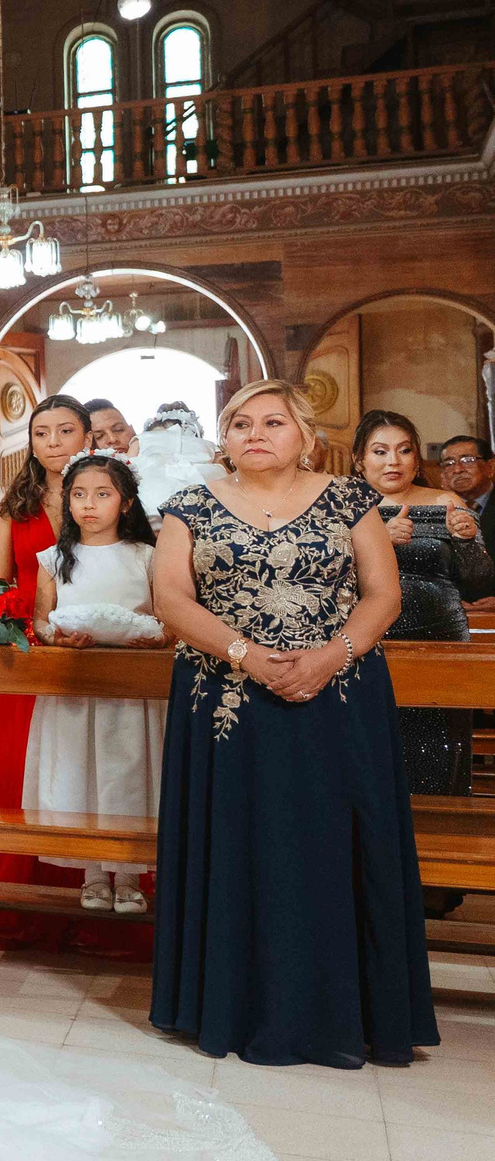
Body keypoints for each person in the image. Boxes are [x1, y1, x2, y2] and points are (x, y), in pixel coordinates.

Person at [151, 381, 435, 1067]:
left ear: (306, 435)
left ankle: (345, 1013)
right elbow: (170, 599)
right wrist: (246, 655)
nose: (255, 433)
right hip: (227, 701)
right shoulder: (189, 506)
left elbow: (383, 595)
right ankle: (230, 1005)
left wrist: (330, 656)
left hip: (338, 696)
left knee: (332, 844)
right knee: (239, 844)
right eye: (240, 423)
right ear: (224, 439)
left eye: (273, 422)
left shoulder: (348, 499)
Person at [0, 396, 97, 944]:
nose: (52, 442)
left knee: (86, 762)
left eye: (65, 431)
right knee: (23, 764)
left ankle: (97, 881)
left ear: (87, 436)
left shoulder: (106, 493)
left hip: (95, 641)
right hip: (28, 646)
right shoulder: (15, 504)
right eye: (41, 433)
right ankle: (26, 886)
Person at [26, 456, 164, 915]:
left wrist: (154, 636)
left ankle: (128, 876)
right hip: (76, 684)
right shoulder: (53, 558)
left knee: (129, 772)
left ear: (125, 503)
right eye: (79, 495)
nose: (89, 505)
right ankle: (93, 875)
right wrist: (58, 638)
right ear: (67, 501)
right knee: (79, 770)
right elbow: (41, 620)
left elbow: (165, 617)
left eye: (102, 495)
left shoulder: (146, 557)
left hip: (131, 687)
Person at [353, 410, 492, 798]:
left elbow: (479, 578)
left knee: (438, 751)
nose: (393, 462)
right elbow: (324, 578)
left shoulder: (446, 501)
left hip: (441, 639)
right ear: (359, 460)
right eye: (380, 451)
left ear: (417, 459)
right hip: (367, 641)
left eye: (404, 450)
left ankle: (444, 828)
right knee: (370, 751)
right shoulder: (341, 507)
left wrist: (466, 539)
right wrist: (378, 540)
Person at [439, 435, 491, 521]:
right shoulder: (438, 508)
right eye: (449, 463)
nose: (457, 470)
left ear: (490, 467)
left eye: (467, 461)